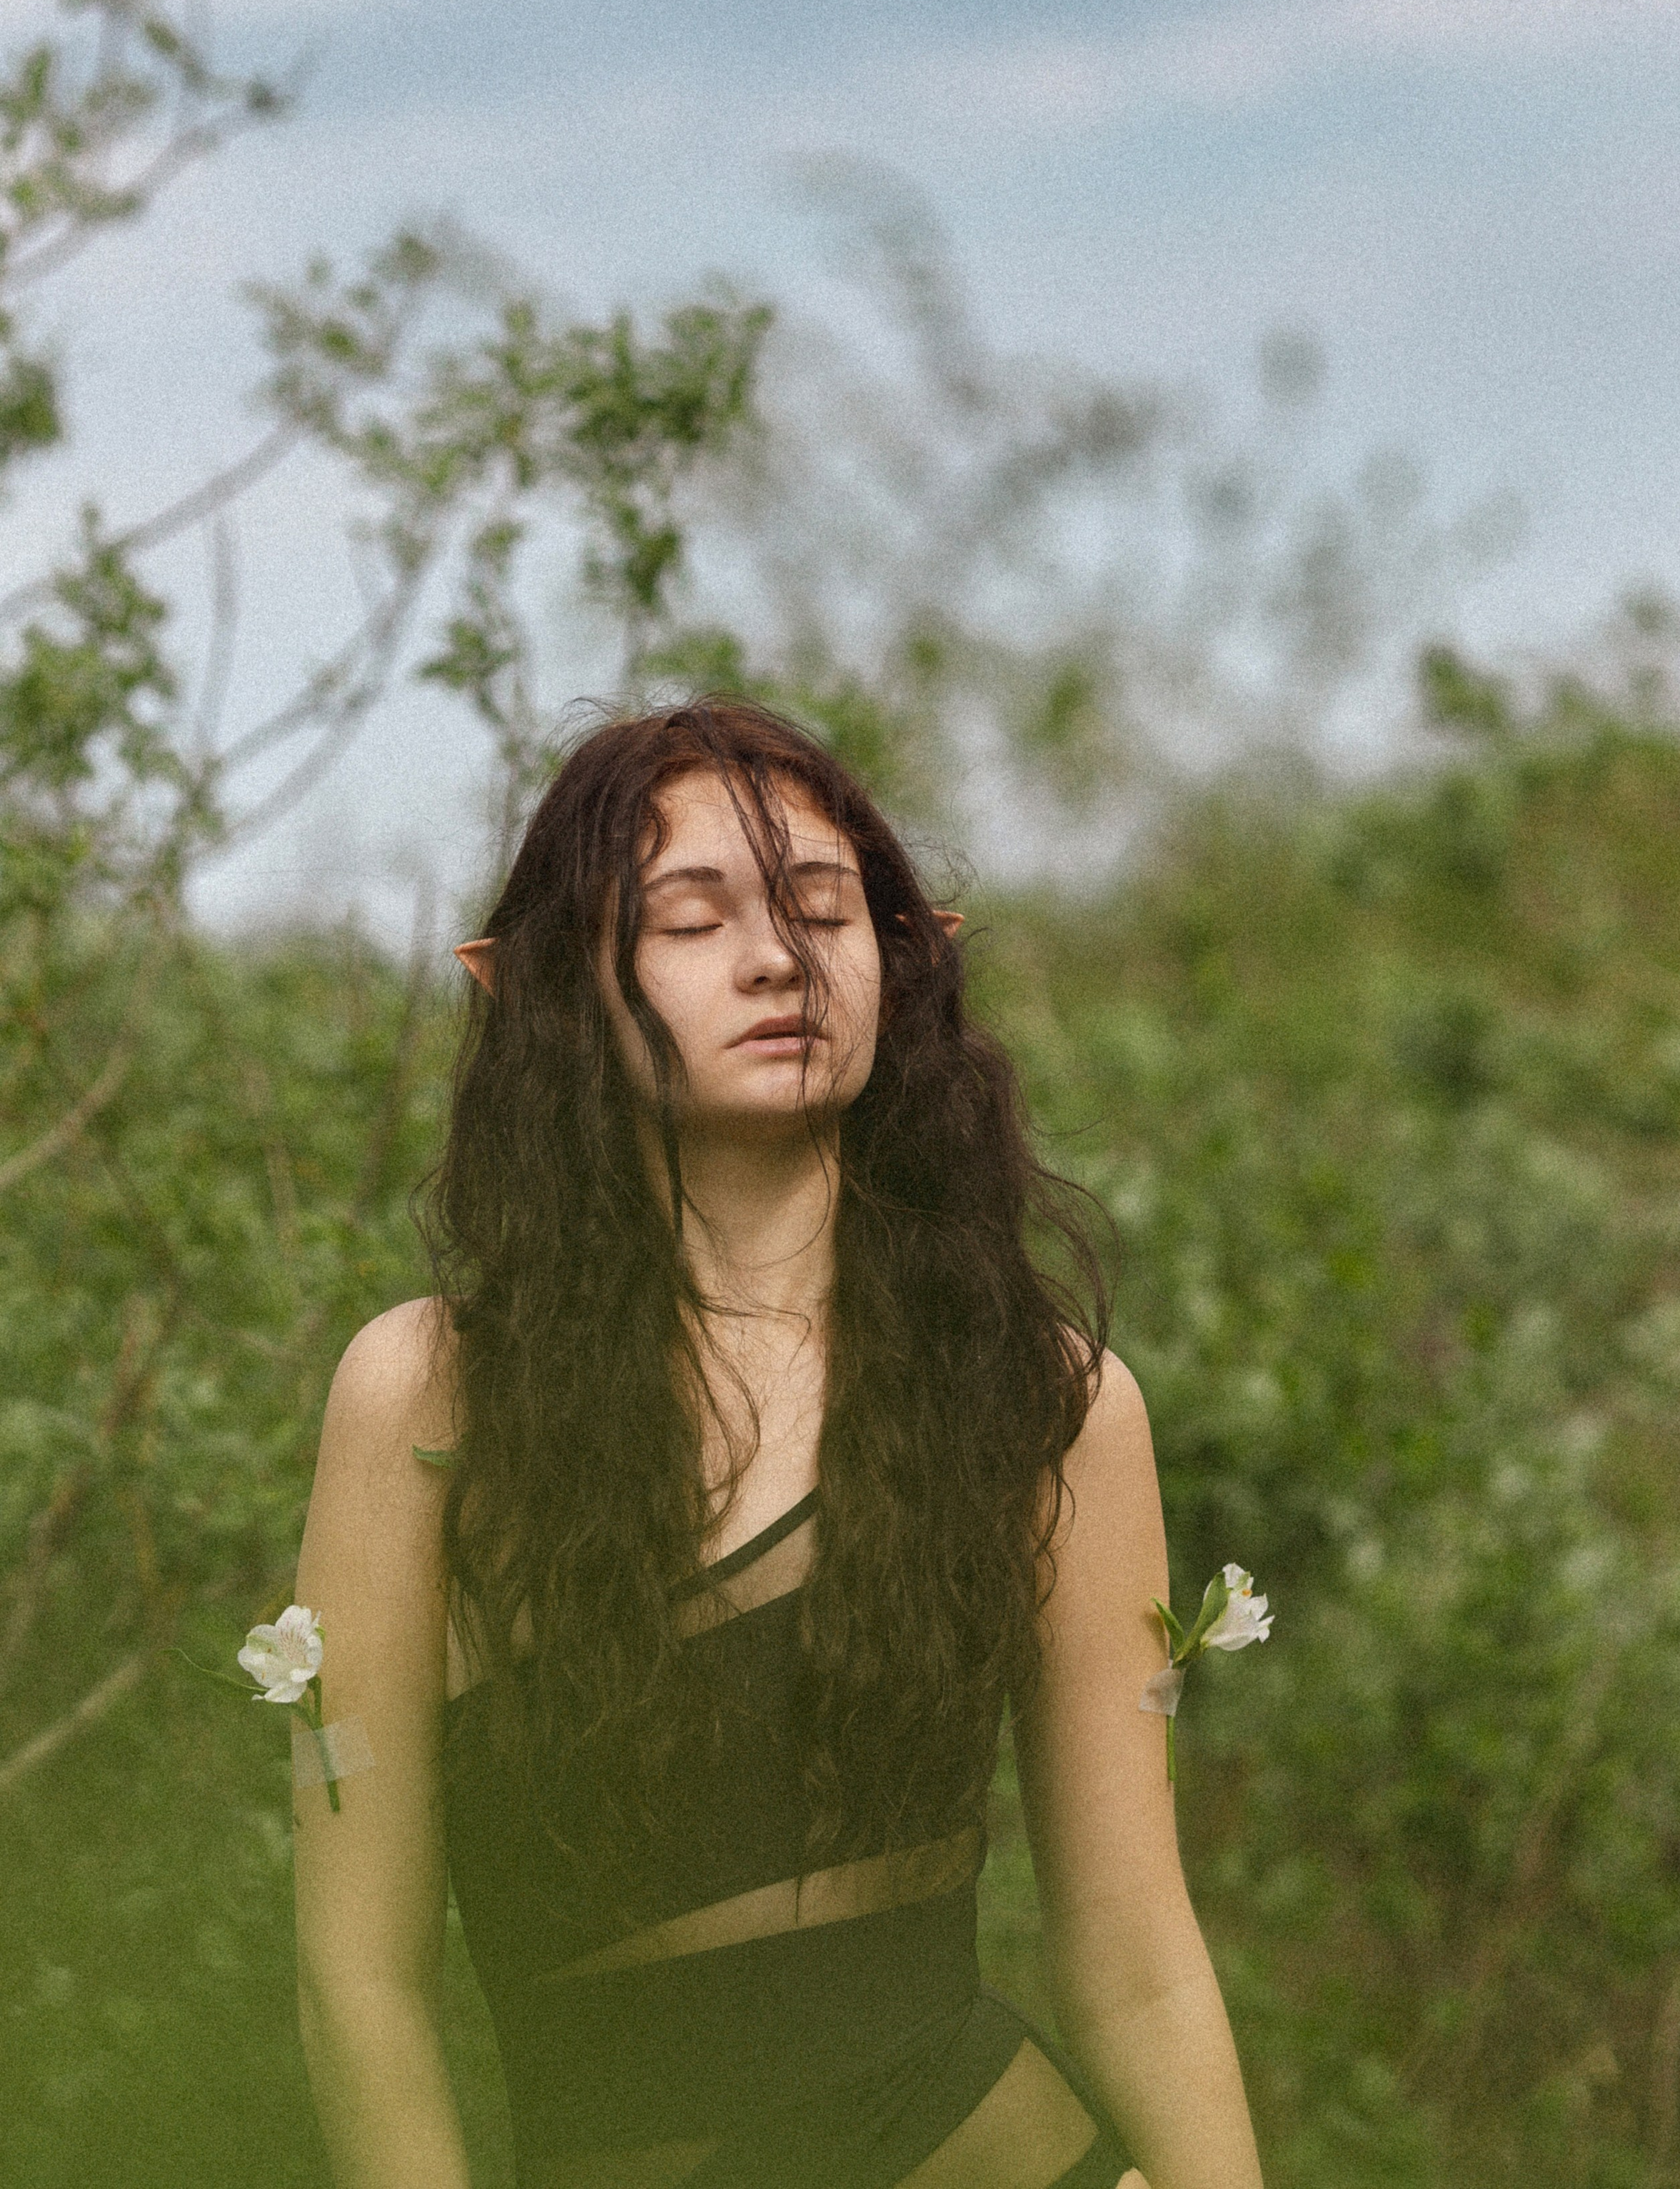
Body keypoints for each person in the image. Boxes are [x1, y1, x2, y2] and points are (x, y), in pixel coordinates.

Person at [291, 698, 1264, 2189]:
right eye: (690, 920)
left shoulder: (1044, 1401)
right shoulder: (428, 1399)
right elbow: (359, 1985)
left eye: (824, 910)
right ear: (557, 990)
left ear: (896, 958)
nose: (778, 959)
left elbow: (1136, 1958)